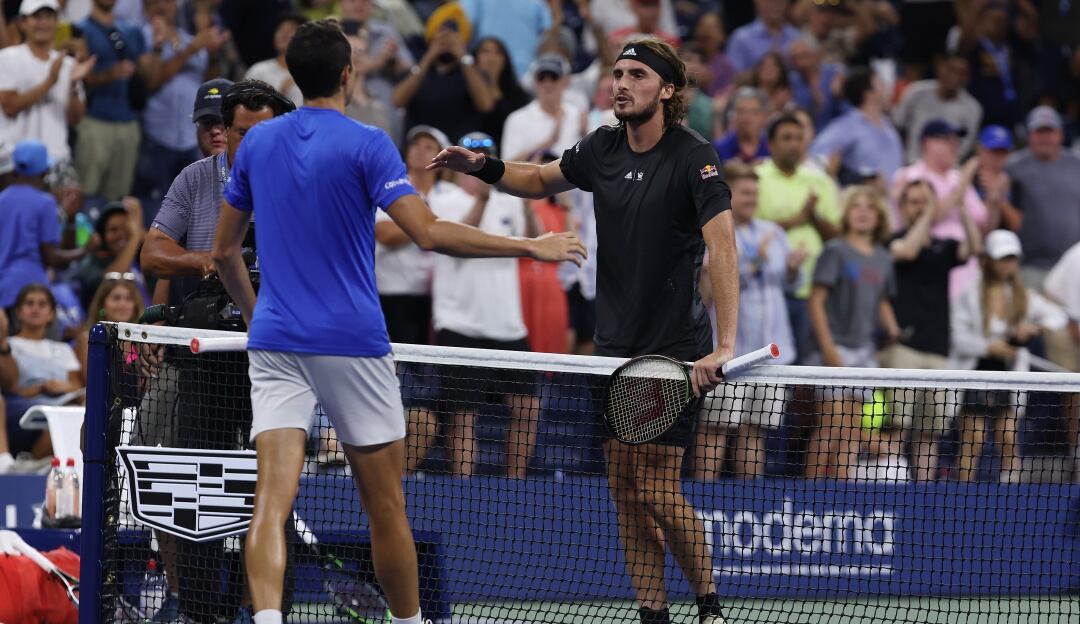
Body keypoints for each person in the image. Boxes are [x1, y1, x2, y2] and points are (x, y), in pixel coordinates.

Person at [211, 20, 583, 624]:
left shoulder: (254, 144)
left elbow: (224, 252)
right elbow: (430, 234)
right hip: (353, 345)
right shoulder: (369, 142)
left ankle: (268, 619)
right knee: (385, 507)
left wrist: (259, 321)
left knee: (270, 504)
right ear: (347, 75)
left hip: (276, 341)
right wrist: (529, 247)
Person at [430, 36, 735, 624]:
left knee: (656, 489)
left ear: (667, 91)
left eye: (638, 75)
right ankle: (653, 612)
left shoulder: (694, 155)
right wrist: (484, 167)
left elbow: (723, 247)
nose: (621, 83)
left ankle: (709, 605)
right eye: (618, 74)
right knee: (624, 489)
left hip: (673, 351)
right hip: (611, 348)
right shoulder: (602, 148)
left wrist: (723, 344)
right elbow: (539, 178)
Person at [137, 79, 292, 624]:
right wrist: (209, 260)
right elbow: (153, 253)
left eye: (241, 129)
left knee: (271, 488)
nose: (222, 134)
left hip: (273, 354)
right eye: (218, 126)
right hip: (204, 351)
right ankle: (197, 609)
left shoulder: (296, 179)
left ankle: (261, 609)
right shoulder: (194, 179)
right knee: (192, 485)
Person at [694, 162, 797, 481]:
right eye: (745, 192)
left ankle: (748, 502)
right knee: (717, 428)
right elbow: (707, 291)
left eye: (755, 192)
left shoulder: (775, 232)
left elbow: (790, 284)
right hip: (727, 355)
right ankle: (703, 500)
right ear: (728, 195)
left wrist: (792, 268)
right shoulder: (714, 232)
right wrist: (755, 262)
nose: (752, 198)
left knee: (755, 431)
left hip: (770, 356)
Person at [951, 230, 1068, 482]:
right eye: (1002, 258)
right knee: (973, 440)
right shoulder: (969, 296)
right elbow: (958, 339)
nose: (1007, 264)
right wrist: (989, 347)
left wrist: (1033, 329)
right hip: (975, 374)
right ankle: (960, 501)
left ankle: (1010, 500)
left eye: (1012, 258)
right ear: (988, 260)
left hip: (1008, 377)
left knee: (1008, 438)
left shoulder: (1023, 297)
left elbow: (1058, 316)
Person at [884, 179, 981, 481]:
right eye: (914, 201)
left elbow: (974, 248)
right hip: (905, 350)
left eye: (925, 201)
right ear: (902, 208)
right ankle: (894, 489)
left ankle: (924, 496)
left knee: (931, 432)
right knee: (899, 427)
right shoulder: (893, 240)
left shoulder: (944, 247)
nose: (920, 207)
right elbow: (909, 252)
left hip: (939, 352)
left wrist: (962, 211)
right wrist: (932, 212)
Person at [805, 186, 900, 480]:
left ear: (879, 217)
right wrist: (829, 349)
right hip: (836, 348)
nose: (862, 212)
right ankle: (809, 494)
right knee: (830, 425)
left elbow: (881, 298)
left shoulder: (883, 258)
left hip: (864, 352)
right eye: (856, 206)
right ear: (846, 214)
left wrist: (893, 327)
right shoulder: (835, 250)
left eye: (869, 207)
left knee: (851, 427)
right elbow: (816, 301)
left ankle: (841, 496)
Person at [754, 113, 839, 364]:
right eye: (786, 138)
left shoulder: (820, 180)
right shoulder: (757, 177)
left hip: (812, 290)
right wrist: (797, 218)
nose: (794, 144)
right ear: (770, 144)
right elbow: (746, 228)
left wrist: (813, 215)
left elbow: (837, 235)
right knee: (767, 368)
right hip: (768, 290)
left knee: (807, 370)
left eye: (799, 138)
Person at [133, 0, 228, 222]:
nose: (163, 6)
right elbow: (151, 82)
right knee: (156, 209)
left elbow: (210, 84)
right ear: (147, 7)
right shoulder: (144, 37)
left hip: (190, 138)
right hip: (157, 137)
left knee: (195, 205)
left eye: (168, 1)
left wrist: (212, 54)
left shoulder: (187, 38)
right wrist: (192, 50)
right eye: (156, 2)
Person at [890, 119, 992, 299]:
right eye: (948, 140)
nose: (955, 146)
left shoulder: (956, 177)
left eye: (956, 141)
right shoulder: (911, 175)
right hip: (928, 266)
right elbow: (927, 217)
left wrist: (995, 198)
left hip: (966, 264)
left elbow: (982, 222)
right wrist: (963, 183)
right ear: (928, 143)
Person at [0, 139, 92, 311]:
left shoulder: (2, 199)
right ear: (45, 171)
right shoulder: (45, 203)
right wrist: (85, 251)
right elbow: (51, 258)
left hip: (3, 288)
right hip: (32, 291)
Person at [0, 0, 93, 168]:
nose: (43, 23)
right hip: (14, 161)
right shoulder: (7, 58)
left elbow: (75, 119)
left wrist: (73, 85)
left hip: (57, 159)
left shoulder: (68, 65)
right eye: (37, 17)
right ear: (23, 23)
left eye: (49, 17)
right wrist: (50, 82)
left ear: (57, 22)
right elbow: (9, 106)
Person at [1, 284, 84, 461]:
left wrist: (63, 387)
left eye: (42, 304)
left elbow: (77, 385)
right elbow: (10, 387)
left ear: (51, 314)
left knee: (85, 409)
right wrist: (40, 388)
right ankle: (30, 464)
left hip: (61, 403)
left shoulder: (63, 349)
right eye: (29, 303)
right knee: (64, 417)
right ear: (18, 312)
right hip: (22, 407)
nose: (35, 309)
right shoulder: (8, 345)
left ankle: (35, 462)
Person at [1005, 106, 1080, 290]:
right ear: (1029, 135)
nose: (1044, 138)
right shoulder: (1013, 167)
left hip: (1072, 266)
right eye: (1039, 132)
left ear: (1060, 134)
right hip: (1030, 266)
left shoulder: (1076, 165)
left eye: (1049, 131)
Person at [392, 18, 494, 148]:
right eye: (440, 38)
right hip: (421, 154)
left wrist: (463, 55)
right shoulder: (418, 71)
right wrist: (429, 55)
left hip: (460, 156)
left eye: (451, 39)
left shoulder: (473, 72)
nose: (446, 43)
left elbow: (486, 105)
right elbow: (397, 101)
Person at [810, 67, 904, 187]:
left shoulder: (889, 126)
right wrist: (850, 180)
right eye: (881, 84)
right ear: (868, 93)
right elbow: (817, 154)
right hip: (865, 201)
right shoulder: (847, 127)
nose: (887, 89)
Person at [891, 53, 981, 164]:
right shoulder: (916, 92)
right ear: (941, 67)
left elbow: (965, 146)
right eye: (951, 69)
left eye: (962, 73)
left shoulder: (972, 108)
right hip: (911, 164)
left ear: (968, 78)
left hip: (946, 171)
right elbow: (897, 124)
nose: (955, 76)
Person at [501, 54, 584, 163]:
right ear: (535, 82)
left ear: (565, 81)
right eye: (542, 78)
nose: (547, 84)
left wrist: (585, 135)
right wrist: (548, 143)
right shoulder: (517, 119)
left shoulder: (579, 116)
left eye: (554, 77)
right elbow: (507, 166)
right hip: (532, 179)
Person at [73, 197, 147, 309]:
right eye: (113, 230)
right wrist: (134, 237)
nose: (121, 234)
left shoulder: (140, 261)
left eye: (127, 228)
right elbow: (109, 283)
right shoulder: (90, 264)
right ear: (102, 235)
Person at [73, 275, 143, 380]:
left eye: (129, 299)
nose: (122, 304)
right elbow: (91, 379)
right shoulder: (88, 338)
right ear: (102, 305)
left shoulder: (141, 340)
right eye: (116, 298)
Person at [473, 36, 531, 149]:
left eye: (497, 52)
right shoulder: (464, 92)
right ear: (476, 58)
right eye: (485, 51)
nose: (491, 57)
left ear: (505, 60)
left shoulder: (518, 95)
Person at [244, 12, 306, 106]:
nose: (284, 33)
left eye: (291, 29)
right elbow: (244, 106)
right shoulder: (258, 71)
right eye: (280, 28)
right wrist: (281, 95)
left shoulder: (310, 74)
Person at [727, 0, 800, 73]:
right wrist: (766, 68)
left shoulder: (796, 36)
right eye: (770, 1)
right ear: (757, 2)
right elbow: (734, 78)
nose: (775, 5)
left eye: (780, 1)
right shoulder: (740, 38)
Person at [713, 86, 769, 164]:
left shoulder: (772, 148)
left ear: (764, 117)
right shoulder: (719, 148)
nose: (747, 117)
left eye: (754, 112)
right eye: (741, 111)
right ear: (733, 116)